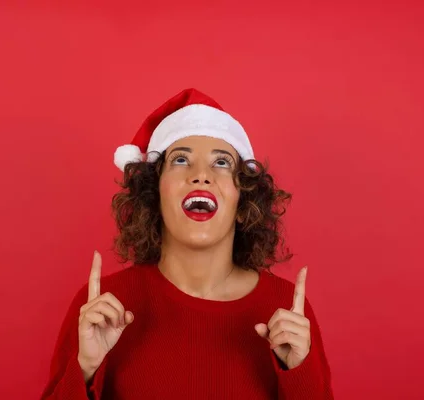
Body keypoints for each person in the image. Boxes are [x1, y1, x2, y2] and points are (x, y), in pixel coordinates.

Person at [40, 88, 334, 399]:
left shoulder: (288, 311)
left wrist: (300, 376)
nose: (201, 176)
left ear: (243, 201)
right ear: (154, 195)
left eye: (221, 163)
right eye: (181, 159)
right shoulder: (101, 307)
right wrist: (85, 369)